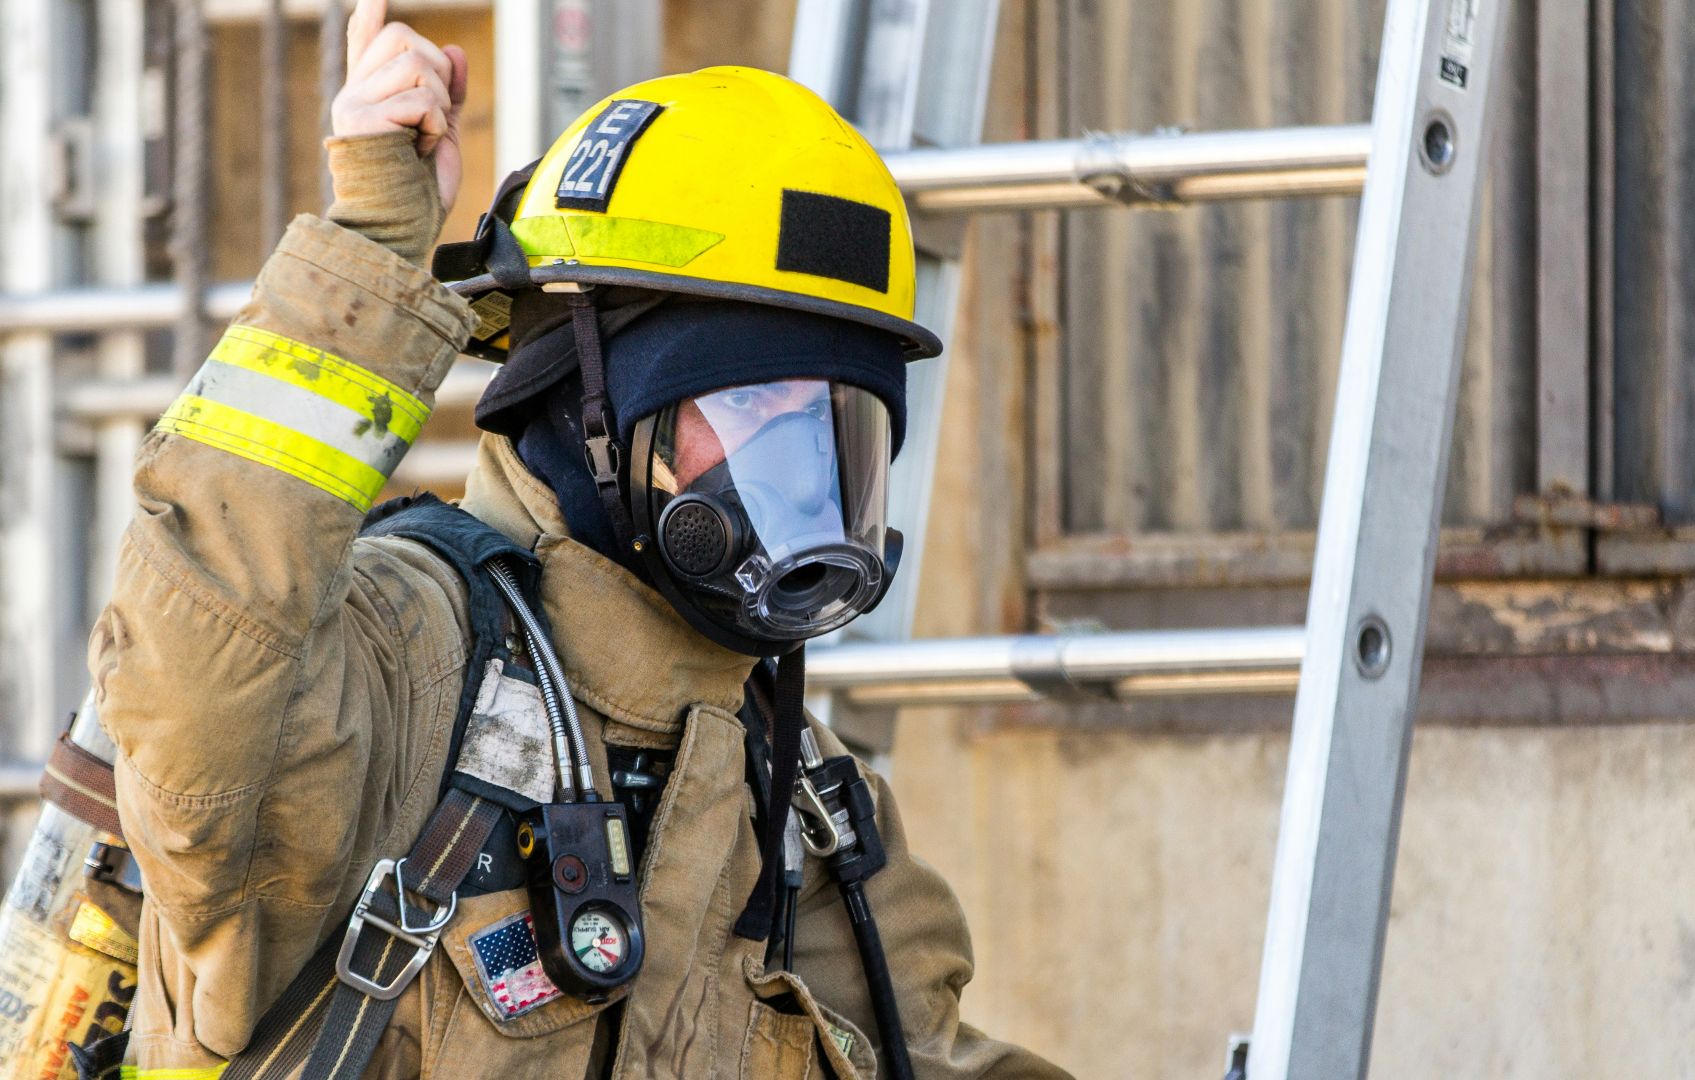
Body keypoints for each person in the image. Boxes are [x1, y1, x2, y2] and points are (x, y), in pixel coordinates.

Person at [88, 2, 1072, 1076]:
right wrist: (371, 245)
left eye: (837, 439)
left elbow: (927, 1053)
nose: (807, 498)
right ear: (590, 404)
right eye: (756, 419)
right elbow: (197, 684)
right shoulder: (392, 673)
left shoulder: (800, 799)